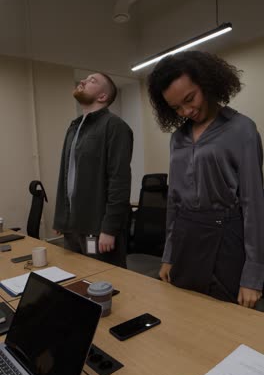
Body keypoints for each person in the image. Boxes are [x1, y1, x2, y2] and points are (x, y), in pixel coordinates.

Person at [148, 51, 264, 308]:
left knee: (223, 328)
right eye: (176, 107)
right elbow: (174, 202)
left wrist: (253, 277)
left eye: (190, 98)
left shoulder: (241, 129)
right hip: (186, 239)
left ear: (207, 82)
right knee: (184, 316)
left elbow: (253, 204)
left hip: (226, 240)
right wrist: (168, 255)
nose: (187, 111)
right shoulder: (177, 138)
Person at [53, 72, 133, 267]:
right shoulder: (74, 127)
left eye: (92, 81)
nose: (83, 81)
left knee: (105, 286)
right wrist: (61, 219)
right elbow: (66, 175)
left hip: (99, 231)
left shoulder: (115, 126)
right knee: (75, 283)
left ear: (102, 96)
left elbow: (119, 180)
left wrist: (110, 229)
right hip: (73, 228)